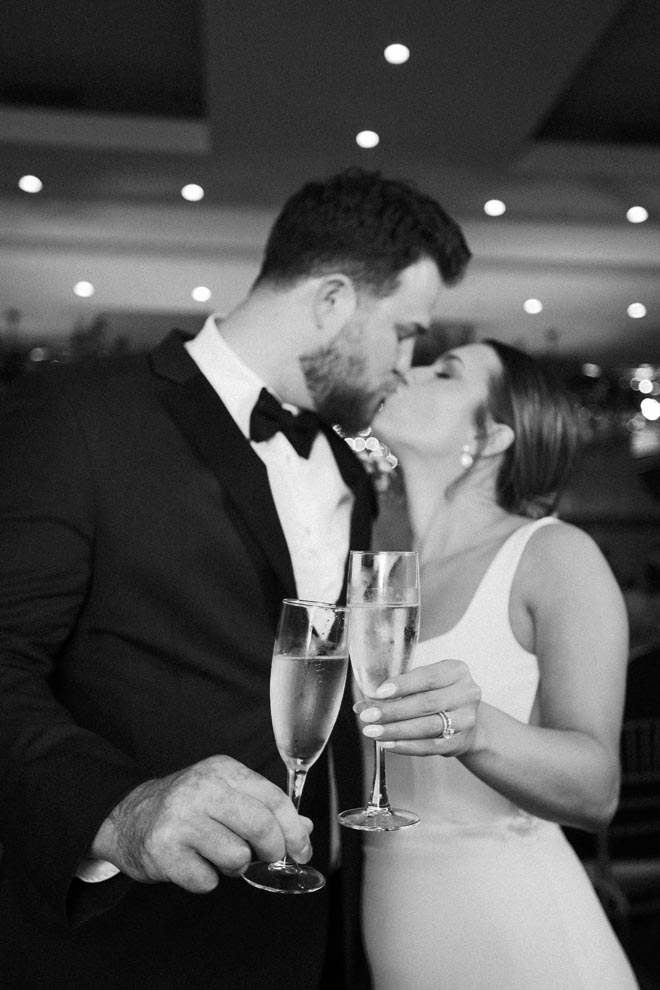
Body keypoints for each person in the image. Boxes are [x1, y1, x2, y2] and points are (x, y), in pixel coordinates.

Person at [0, 168, 472, 990]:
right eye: (404, 331)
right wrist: (118, 810)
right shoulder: (77, 415)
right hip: (128, 945)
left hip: (314, 936)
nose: (406, 363)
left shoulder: (349, 475)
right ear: (332, 301)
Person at [353, 340, 639, 989]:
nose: (409, 368)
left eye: (444, 370)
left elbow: (598, 789)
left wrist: (476, 728)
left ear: (489, 436)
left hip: (525, 939)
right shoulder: (377, 566)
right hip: (397, 930)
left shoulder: (553, 555)